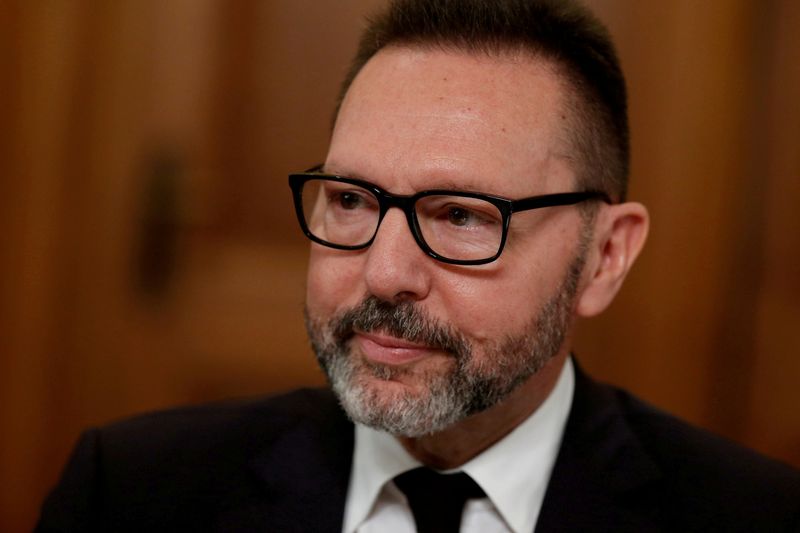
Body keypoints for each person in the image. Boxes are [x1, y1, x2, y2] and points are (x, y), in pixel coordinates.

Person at [37, 0, 800, 531]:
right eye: (351, 200)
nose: (383, 272)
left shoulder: (754, 517)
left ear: (605, 256)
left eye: (462, 216)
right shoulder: (131, 493)